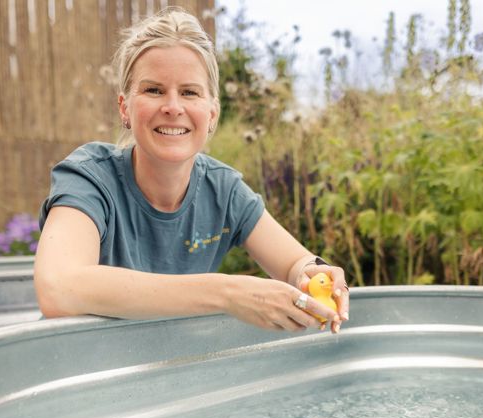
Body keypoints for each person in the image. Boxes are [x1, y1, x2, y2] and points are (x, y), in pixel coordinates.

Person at [34, 7, 349, 333]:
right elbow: (59, 288)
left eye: (189, 92)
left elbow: (295, 263)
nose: (173, 107)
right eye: (154, 90)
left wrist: (314, 272)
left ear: (212, 114)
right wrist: (227, 293)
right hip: (74, 361)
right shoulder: (89, 179)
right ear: (124, 107)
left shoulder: (223, 190)